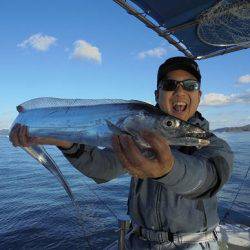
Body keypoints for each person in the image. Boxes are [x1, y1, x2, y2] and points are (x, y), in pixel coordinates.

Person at [10, 56, 234, 249]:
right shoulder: (135, 140)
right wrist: (66, 142)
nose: (179, 91)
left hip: (195, 244)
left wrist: (168, 169)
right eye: (170, 84)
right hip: (138, 242)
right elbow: (104, 169)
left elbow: (207, 179)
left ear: (199, 94)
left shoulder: (214, 146)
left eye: (189, 85)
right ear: (157, 94)